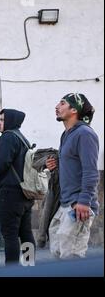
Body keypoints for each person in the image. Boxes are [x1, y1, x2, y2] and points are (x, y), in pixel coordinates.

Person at [46, 93, 99, 259]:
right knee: (56, 253)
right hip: (65, 202)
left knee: (71, 257)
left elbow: (91, 171)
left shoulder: (84, 134)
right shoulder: (67, 134)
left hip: (78, 204)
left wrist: (84, 201)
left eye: (62, 103)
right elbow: (73, 165)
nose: (57, 107)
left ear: (74, 110)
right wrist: (56, 165)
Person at [0, 109, 36, 266]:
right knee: (26, 233)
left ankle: (12, 271)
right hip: (24, 193)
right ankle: (29, 266)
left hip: (10, 193)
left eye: (2, 119)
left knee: (10, 236)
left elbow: (2, 162)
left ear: (10, 121)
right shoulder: (23, 139)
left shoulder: (8, 137)